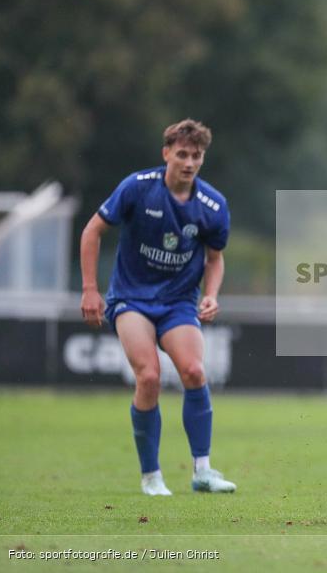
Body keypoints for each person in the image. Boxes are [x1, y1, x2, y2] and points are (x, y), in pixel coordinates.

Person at [79, 119, 236, 496]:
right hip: (131, 299)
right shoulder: (137, 188)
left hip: (179, 302)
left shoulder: (212, 205)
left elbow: (215, 259)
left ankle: (203, 471)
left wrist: (211, 294)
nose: (189, 162)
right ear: (166, 153)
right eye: (182, 154)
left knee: (195, 371)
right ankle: (151, 476)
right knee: (148, 376)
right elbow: (92, 231)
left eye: (196, 156)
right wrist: (89, 289)